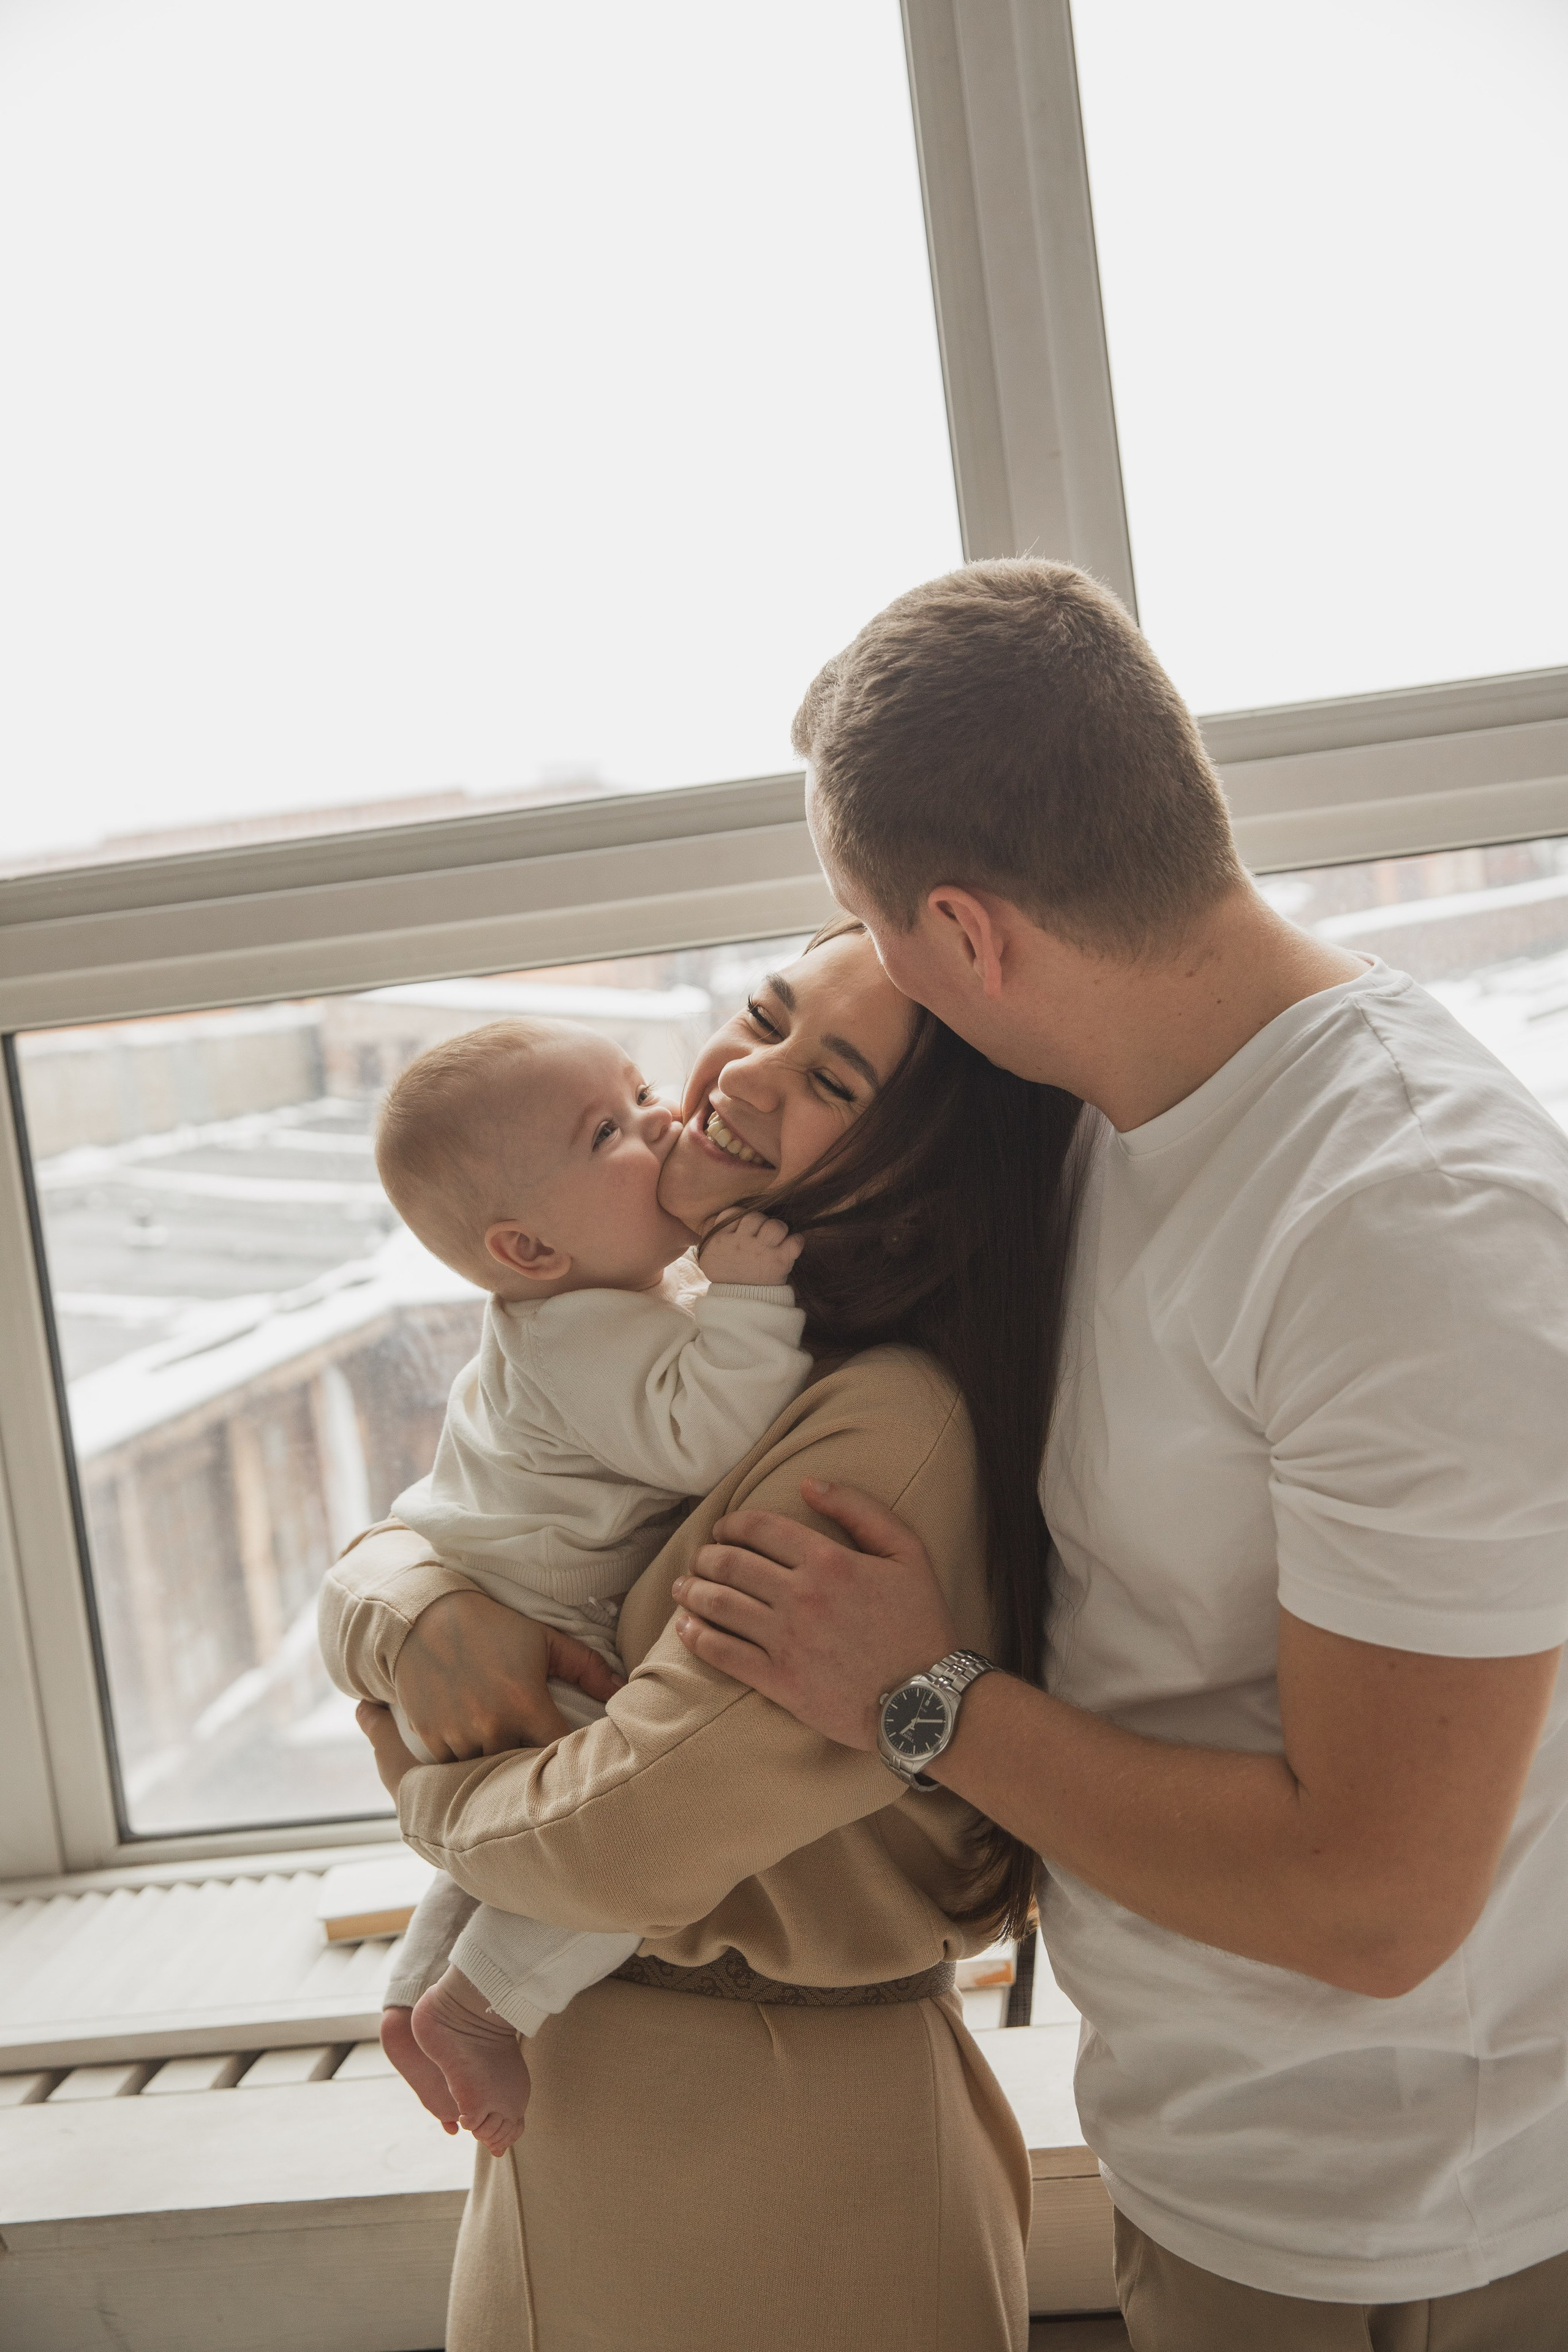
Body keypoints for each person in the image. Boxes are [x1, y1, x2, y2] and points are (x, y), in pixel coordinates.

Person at [671, 560, 1568, 2349]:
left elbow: (1377, 1899)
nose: (867, 971)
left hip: (1412, 2224)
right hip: (1201, 2145)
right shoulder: (1105, 1109)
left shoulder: (1411, 1220)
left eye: (871, 922)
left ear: (972, 936)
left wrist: (917, 1692)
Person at [320, 917, 1085, 2352]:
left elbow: (617, 1829)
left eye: (835, 1080)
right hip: (596, 2093)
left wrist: (421, 1779)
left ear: (923, 1171)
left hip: (770, 2147)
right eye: (762, 1011)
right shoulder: (682, 1323)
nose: (739, 1075)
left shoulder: (878, 1426)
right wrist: (410, 1610)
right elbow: (442, 1527)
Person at [354, 1015, 812, 2156]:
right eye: (610, 1129)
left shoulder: (581, 1312)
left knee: (507, 1856)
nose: (663, 1119)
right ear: (529, 1253)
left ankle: (418, 1992)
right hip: (534, 1636)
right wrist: (750, 1296)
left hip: (496, 1604)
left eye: (641, 1090)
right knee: (609, 1856)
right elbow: (701, 1438)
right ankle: (479, 2008)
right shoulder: (575, 1332)